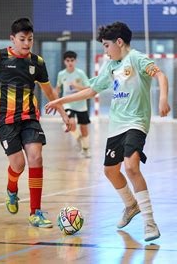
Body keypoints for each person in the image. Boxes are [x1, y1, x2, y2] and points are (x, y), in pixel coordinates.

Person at [45, 21, 170, 242]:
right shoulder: (110, 66)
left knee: (131, 167)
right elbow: (91, 90)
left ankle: (150, 222)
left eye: (106, 45)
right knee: (110, 171)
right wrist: (60, 100)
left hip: (136, 123)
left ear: (119, 42)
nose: (105, 50)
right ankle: (130, 205)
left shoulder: (137, 59)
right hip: (116, 126)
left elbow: (161, 75)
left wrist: (162, 98)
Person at [0, 18, 70, 228]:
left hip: (29, 117)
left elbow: (49, 91)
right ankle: (12, 189)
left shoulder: (37, 63)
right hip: (3, 119)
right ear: (12, 38)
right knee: (18, 164)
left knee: (36, 158)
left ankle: (35, 212)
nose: (26, 43)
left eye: (30, 39)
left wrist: (63, 113)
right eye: (22, 39)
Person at [56, 51, 91, 158]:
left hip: (81, 104)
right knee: (70, 123)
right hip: (68, 104)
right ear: (64, 62)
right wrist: (56, 101)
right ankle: (78, 138)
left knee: (84, 127)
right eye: (68, 61)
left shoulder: (80, 73)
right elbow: (57, 88)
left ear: (75, 61)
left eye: (72, 60)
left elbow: (88, 88)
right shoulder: (61, 74)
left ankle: (85, 148)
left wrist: (77, 87)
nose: (70, 63)